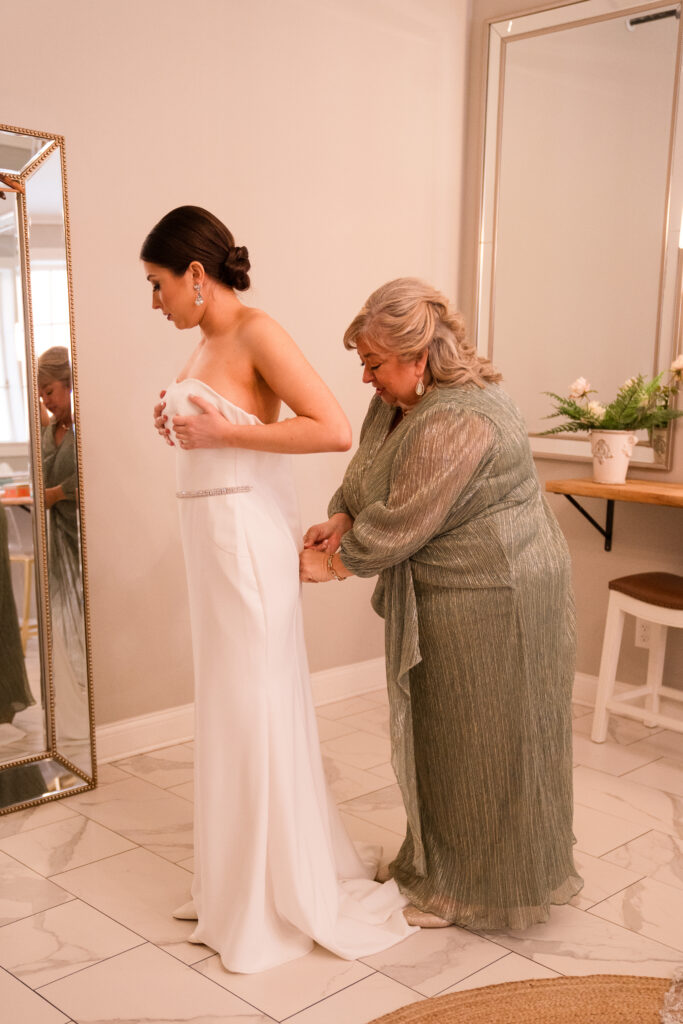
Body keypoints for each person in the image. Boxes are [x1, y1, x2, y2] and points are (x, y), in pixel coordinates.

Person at [142, 206, 415, 974]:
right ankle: (236, 880)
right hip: (212, 540)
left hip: (245, 544)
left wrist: (221, 432)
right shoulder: (204, 344)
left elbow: (331, 427)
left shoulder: (258, 330)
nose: (154, 299)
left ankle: (274, 890)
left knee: (255, 701)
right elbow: (219, 428)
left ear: (197, 275)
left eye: (157, 283)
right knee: (229, 703)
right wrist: (179, 421)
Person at [300, 277, 583, 930]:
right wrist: (341, 516)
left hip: (499, 595)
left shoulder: (459, 415)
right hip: (450, 586)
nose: (366, 376)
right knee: (445, 736)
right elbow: (369, 473)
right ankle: (438, 868)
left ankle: (473, 890)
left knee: (483, 741)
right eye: (363, 362)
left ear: (417, 357)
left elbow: (403, 518)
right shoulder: (397, 401)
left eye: (373, 362)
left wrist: (333, 563)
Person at [38, 347, 88, 742]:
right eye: (40, 393)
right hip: (54, 541)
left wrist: (59, 493)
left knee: (84, 618)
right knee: (58, 619)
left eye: (50, 390)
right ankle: (66, 708)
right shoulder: (46, 431)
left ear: (70, 385)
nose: (46, 399)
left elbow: (95, 475)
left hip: (81, 537)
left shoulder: (84, 427)